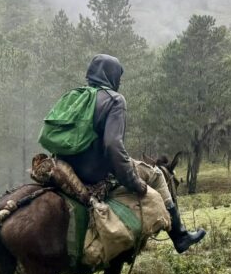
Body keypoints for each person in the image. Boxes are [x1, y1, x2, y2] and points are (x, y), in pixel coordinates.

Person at [60, 53, 206, 253]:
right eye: (118, 77)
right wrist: (133, 181)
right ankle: (180, 236)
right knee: (155, 174)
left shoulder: (74, 97)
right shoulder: (114, 100)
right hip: (95, 171)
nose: (119, 82)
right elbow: (113, 145)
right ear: (111, 76)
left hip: (66, 166)